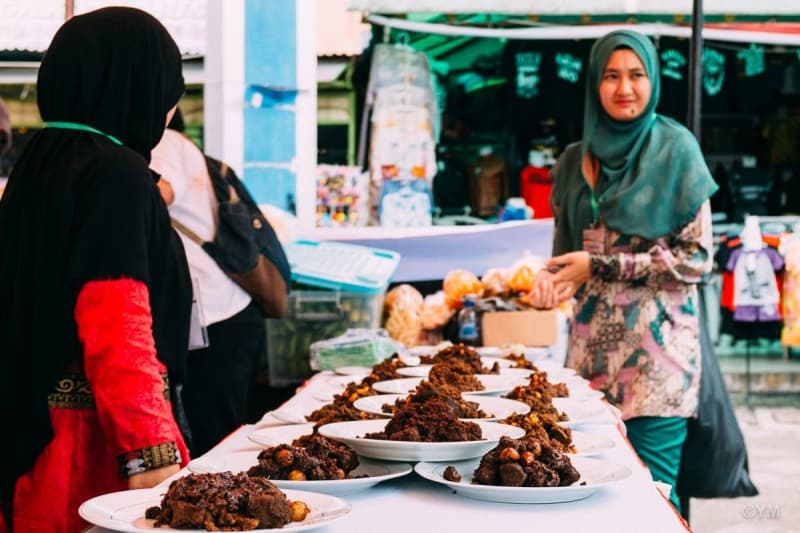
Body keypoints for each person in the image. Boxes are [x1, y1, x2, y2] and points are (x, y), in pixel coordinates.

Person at [0, 8, 193, 532]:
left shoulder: (40, 159)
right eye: (168, 89)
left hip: (29, 433)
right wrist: (151, 456)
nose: (170, 109)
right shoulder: (117, 173)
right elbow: (116, 316)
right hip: (88, 451)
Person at [530, 29, 717, 513]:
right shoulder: (574, 161)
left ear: (653, 80)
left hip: (658, 362)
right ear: (594, 83)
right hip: (588, 364)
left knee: (650, 499)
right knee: (590, 498)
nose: (624, 88)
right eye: (611, 76)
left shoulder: (676, 149)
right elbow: (563, 258)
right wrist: (546, 286)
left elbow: (695, 258)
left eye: (635, 75)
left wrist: (600, 264)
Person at [150, 110, 268, 457]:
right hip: (220, 320)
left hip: (215, 322)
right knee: (216, 444)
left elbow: (155, 197)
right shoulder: (184, 148)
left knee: (214, 448)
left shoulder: (165, 142)